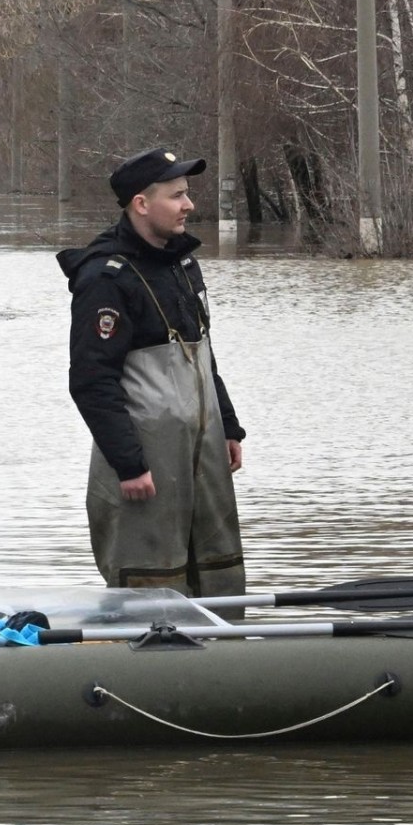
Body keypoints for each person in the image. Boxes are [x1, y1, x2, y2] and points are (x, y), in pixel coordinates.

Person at [57, 147, 246, 603]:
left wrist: (228, 425)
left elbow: (202, 353)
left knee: (219, 569)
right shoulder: (106, 277)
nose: (189, 205)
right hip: (144, 461)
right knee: (150, 581)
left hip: (202, 449)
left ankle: (226, 663)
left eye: (187, 194)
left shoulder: (182, 263)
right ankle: (145, 669)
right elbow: (90, 379)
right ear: (141, 204)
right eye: (177, 196)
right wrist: (129, 464)